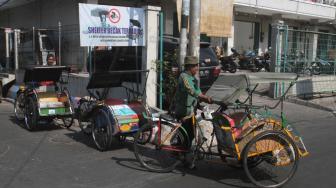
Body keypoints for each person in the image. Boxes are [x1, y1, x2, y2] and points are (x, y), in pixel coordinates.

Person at [173, 56, 212, 169]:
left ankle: (180, 152)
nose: (197, 69)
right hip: (184, 110)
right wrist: (203, 97)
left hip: (190, 109)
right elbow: (190, 90)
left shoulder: (192, 77)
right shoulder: (184, 77)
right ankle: (184, 158)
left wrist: (203, 98)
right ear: (190, 67)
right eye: (196, 66)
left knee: (188, 135)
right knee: (188, 135)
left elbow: (197, 91)